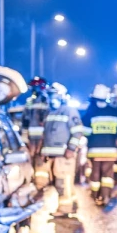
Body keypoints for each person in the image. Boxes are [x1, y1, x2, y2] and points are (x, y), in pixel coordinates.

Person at [41, 85, 85, 218]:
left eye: (53, 94)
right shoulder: (50, 112)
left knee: (64, 183)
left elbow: (77, 132)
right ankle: (70, 206)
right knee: (58, 183)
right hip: (53, 155)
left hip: (64, 155)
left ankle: (66, 208)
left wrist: (71, 149)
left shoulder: (69, 111)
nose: (50, 98)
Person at [80, 85, 117, 206]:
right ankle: (106, 196)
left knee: (95, 172)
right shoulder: (114, 112)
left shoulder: (90, 113)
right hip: (111, 149)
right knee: (108, 174)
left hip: (94, 149)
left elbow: (86, 132)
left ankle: (95, 195)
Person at [21, 77, 51, 185]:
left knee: (40, 158)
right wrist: (24, 134)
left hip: (42, 135)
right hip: (32, 135)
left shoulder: (46, 100)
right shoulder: (30, 101)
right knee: (32, 157)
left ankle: (40, 182)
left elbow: (48, 118)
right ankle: (34, 180)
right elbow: (25, 118)